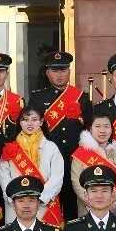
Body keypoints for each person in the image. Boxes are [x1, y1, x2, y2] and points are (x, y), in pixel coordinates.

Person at [27, 50, 91, 220]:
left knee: (72, 206)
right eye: (55, 71)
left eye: (63, 70)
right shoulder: (37, 98)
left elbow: (89, 129)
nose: (59, 75)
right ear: (48, 73)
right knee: (48, 203)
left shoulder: (82, 98)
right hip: (46, 160)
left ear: (69, 71)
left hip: (74, 160)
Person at [0, 106, 65, 225]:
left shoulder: (51, 147)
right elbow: (3, 174)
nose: (30, 123)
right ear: (20, 122)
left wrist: (41, 198)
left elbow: (57, 176)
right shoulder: (10, 147)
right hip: (16, 204)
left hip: (43, 205)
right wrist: (12, 197)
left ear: (41, 122)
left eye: (34, 119)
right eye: (25, 119)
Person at [71, 113, 116, 219]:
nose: (102, 130)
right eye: (97, 126)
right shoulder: (81, 154)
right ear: (90, 129)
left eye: (106, 126)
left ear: (111, 129)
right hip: (89, 213)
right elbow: (77, 183)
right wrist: (96, 206)